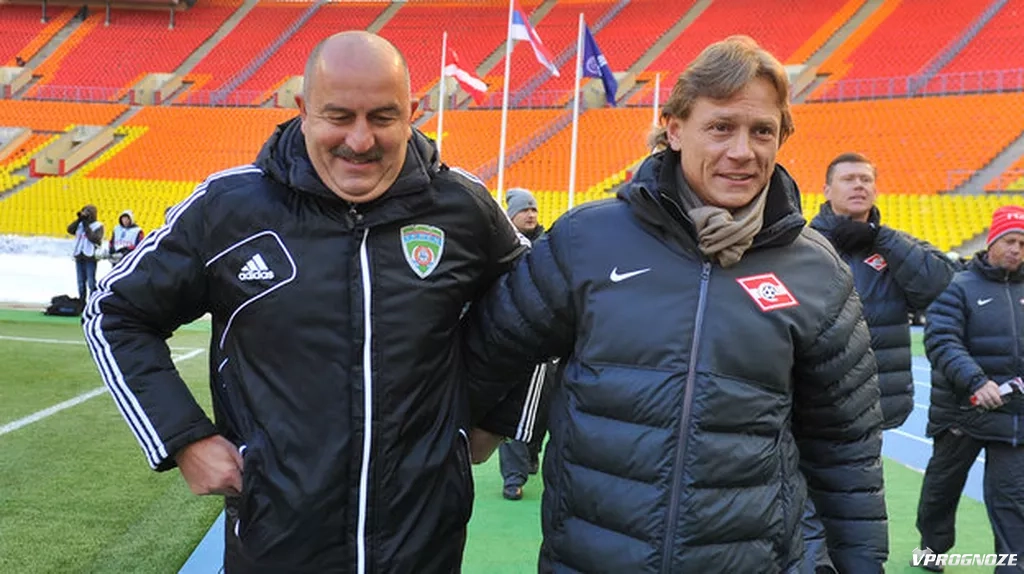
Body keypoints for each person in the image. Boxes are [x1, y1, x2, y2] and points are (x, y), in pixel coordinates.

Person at [81, 31, 527, 572]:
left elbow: (543, 311)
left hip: (423, 546)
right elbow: (114, 312)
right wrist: (182, 439)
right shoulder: (229, 209)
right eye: (338, 116)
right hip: (275, 543)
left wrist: (499, 419)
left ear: (412, 113)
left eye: (383, 117)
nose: (359, 140)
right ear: (303, 110)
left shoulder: (463, 208)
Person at [464, 35, 887, 573]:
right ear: (674, 129)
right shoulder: (588, 239)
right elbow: (491, 349)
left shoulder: (816, 270)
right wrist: (486, 426)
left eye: (762, 131)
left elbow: (846, 449)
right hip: (591, 559)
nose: (743, 151)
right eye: (721, 127)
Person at [810, 152, 955, 429]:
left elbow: (944, 288)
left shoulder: (895, 245)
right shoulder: (805, 246)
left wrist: (881, 237)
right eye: (848, 179)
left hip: (882, 400)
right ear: (827, 190)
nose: (858, 185)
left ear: (875, 191)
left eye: (865, 179)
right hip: (820, 398)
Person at [916, 205, 1024, 572]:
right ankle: (932, 548)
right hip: (962, 412)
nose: (1016, 249)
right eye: (1009, 240)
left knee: (1012, 500)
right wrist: (977, 381)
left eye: (1023, 243)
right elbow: (942, 341)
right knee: (941, 492)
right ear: (991, 242)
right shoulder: (957, 286)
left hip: (1012, 416)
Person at [497, 187, 557, 501]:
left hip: (549, 340)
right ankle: (513, 476)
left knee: (542, 409)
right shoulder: (501, 247)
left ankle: (531, 455)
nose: (531, 214)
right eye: (524, 210)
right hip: (514, 339)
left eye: (533, 209)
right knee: (516, 408)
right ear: (511, 216)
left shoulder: (549, 246)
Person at [67, 204, 103, 306]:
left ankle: (92, 303)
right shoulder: (80, 224)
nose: (85, 214)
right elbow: (69, 230)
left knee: (91, 282)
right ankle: (82, 303)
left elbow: (95, 239)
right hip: (79, 255)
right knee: (80, 282)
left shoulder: (98, 225)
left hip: (90, 256)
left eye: (87, 212)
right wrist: (79, 220)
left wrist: (87, 225)